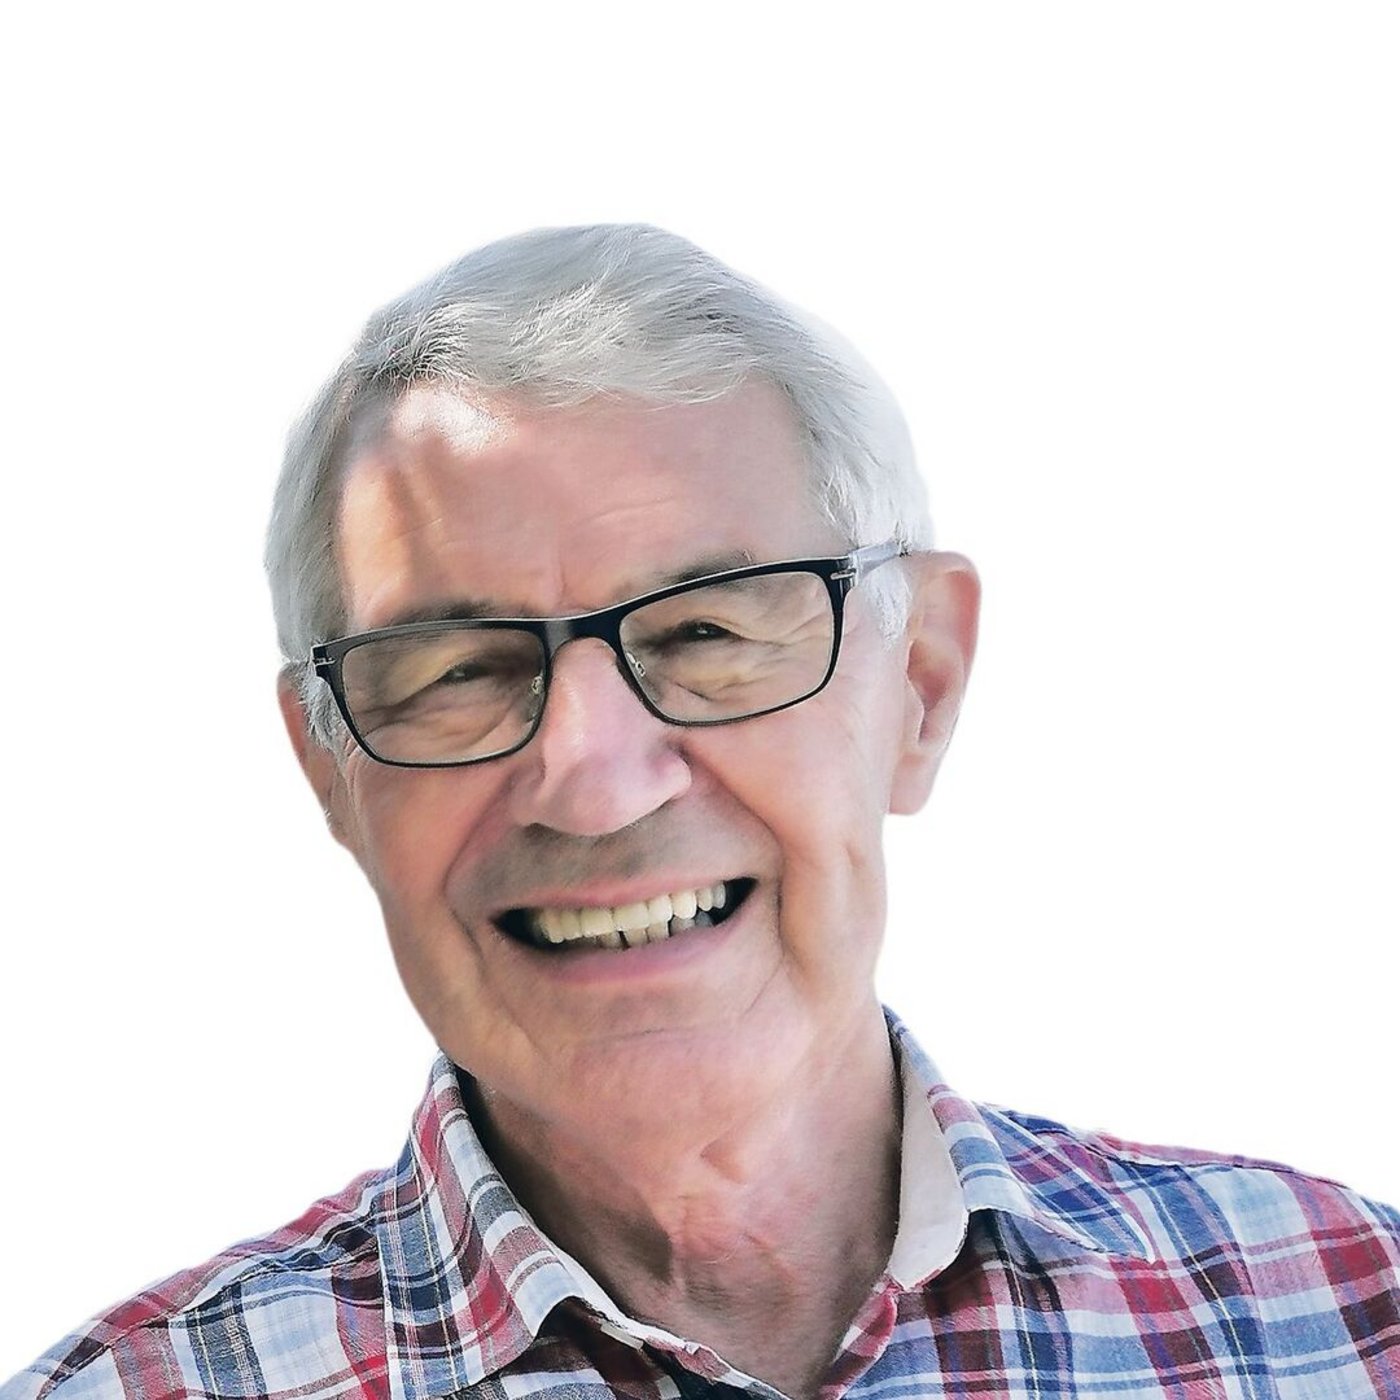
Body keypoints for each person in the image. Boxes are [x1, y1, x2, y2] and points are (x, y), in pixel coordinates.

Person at [6, 224, 1397, 1400]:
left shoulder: (1353, 1320)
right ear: (331, 774)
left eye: (708, 633)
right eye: (458, 672)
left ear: (921, 685)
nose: (594, 780)